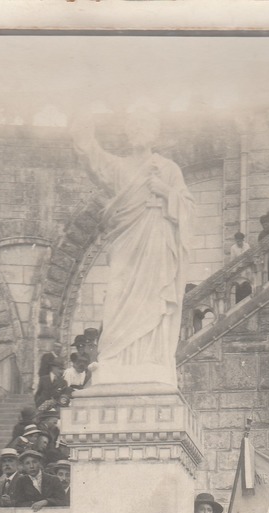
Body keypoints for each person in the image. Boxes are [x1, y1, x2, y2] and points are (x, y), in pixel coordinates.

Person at [72, 112, 194, 381]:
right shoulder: (119, 167)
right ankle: (115, 357)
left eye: (145, 124)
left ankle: (150, 359)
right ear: (127, 132)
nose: (139, 129)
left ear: (155, 133)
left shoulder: (169, 169)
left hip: (157, 241)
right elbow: (96, 160)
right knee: (118, 294)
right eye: (135, 125)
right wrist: (84, 134)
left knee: (151, 297)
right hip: (127, 241)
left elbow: (188, 208)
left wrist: (164, 191)